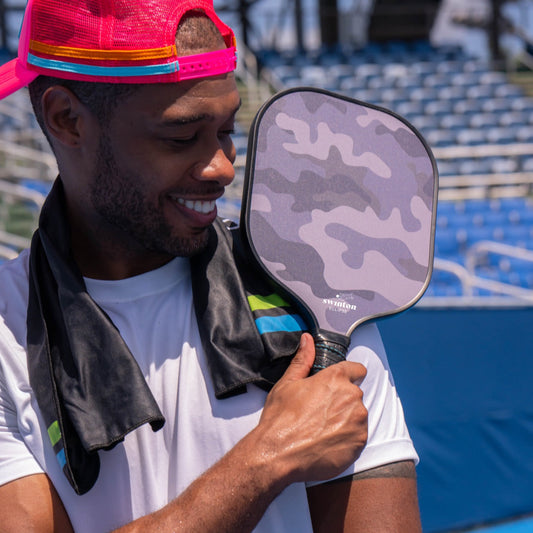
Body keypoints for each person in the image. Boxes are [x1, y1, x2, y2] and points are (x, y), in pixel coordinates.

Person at [0, 0, 421, 531]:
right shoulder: (5, 329)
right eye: (181, 137)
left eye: (226, 131)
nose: (223, 168)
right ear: (66, 119)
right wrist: (265, 460)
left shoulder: (313, 291)